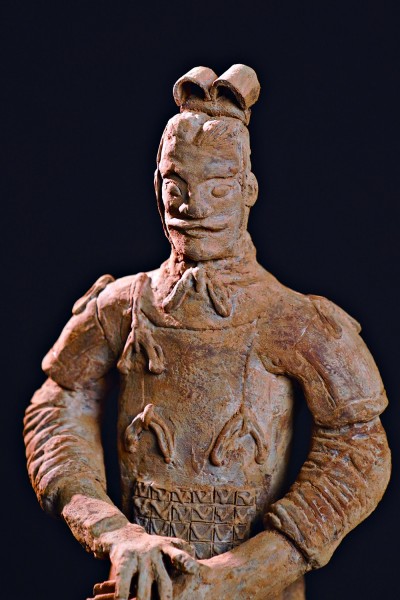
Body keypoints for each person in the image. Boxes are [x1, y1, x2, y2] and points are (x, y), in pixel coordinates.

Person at [24, 65, 390, 600]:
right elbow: (58, 403)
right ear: (157, 189)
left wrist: (242, 573)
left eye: (217, 189)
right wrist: (114, 532)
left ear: (248, 191)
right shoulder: (121, 306)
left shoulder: (294, 319)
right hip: (140, 584)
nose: (193, 207)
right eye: (177, 186)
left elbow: (359, 450)